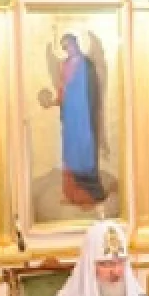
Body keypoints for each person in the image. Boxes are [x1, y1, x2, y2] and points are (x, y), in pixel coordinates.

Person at [47, 33, 106, 208]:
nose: (68, 49)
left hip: (84, 117)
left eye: (69, 45)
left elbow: (93, 92)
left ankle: (89, 196)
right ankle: (71, 194)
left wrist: (88, 111)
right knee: (70, 153)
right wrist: (54, 101)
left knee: (84, 152)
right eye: (64, 47)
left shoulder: (87, 65)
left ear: (76, 44)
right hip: (70, 117)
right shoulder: (64, 65)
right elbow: (62, 89)